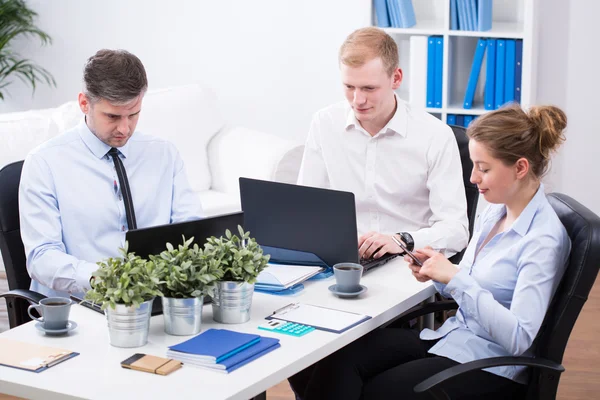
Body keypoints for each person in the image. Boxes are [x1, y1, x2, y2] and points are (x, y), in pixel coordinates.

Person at [289, 103, 571, 399]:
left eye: (484, 168)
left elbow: (519, 339)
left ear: (520, 168)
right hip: (452, 338)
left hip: (488, 366)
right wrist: (437, 273)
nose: (473, 178)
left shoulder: (542, 240)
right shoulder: (496, 213)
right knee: (334, 359)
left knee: (372, 391)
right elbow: (468, 285)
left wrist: (456, 279)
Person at [19, 49, 203, 299]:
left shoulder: (164, 154)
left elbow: (190, 229)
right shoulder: (44, 163)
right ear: (85, 103)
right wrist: (103, 279)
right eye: (112, 116)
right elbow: (41, 258)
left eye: (134, 114)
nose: (125, 129)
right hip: (81, 304)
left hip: (155, 300)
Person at [297, 27, 469, 259]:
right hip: (342, 261)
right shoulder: (324, 123)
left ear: (396, 78)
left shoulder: (435, 135)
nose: (358, 100)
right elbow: (305, 208)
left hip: (407, 262)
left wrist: (402, 240)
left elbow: (456, 230)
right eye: (349, 87)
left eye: (369, 88)